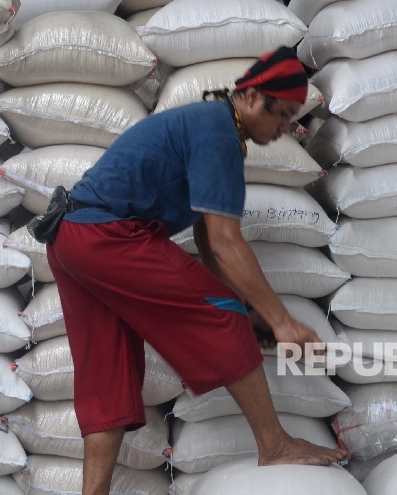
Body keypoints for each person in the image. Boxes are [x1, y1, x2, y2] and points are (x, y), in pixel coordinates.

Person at [46, 46, 347, 495]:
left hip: (70, 239)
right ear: (248, 96)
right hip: (108, 236)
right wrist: (280, 322)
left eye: (291, 118)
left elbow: (209, 240)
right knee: (223, 317)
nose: (286, 128)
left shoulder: (210, 126)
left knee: (107, 376)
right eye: (281, 114)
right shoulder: (218, 132)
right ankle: (275, 444)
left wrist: (254, 310)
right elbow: (226, 242)